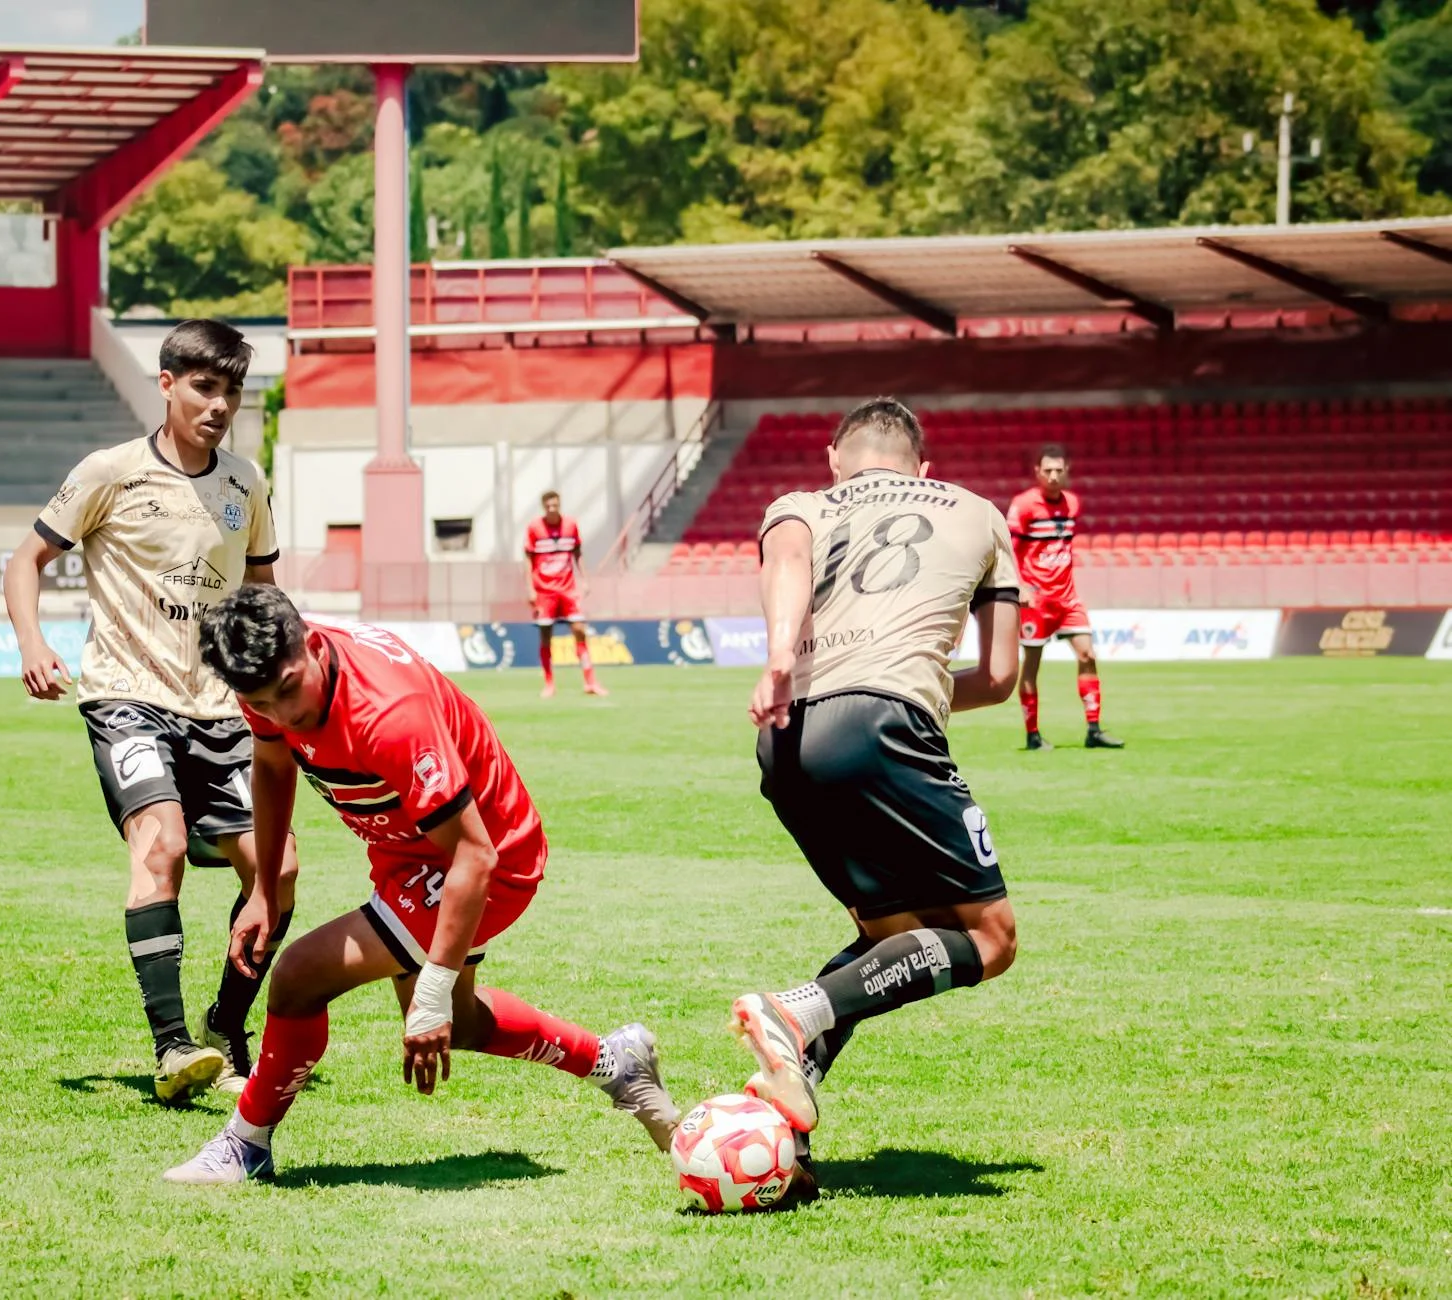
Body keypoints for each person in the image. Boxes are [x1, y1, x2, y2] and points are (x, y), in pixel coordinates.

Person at [162, 588, 679, 1184]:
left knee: (299, 978)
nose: (282, 715)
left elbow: (474, 856)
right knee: (462, 1022)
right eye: (260, 703)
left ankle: (244, 1145)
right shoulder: (266, 669)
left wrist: (431, 990)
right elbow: (275, 765)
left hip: (486, 855)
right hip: (411, 847)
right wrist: (264, 889)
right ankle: (617, 1063)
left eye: (288, 690)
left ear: (313, 645)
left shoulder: (389, 714)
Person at [732, 397, 1023, 1204]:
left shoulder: (801, 503)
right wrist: (911, 689)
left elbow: (788, 560)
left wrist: (781, 658)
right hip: (884, 723)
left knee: (892, 941)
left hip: (788, 737)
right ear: (924, 467)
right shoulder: (978, 511)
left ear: (836, 458)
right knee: (989, 939)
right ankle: (796, 1014)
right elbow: (1001, 677)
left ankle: (785, 1115)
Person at [4, 319, 298, 1106]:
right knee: (160, 842)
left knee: (280, 870)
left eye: (231, 390)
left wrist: (284, 684)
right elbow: (26, 561)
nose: (219, 404)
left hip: (224, 711)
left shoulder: (246, 484)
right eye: (204, 386)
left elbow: (264, 596)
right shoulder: (111, 472)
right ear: (166, 384)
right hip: (127, 698)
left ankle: (224, 1026)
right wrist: (32, 642)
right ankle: (171, 1048)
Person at [1006, 445, 1123, 750]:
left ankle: (1094, 730)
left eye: (1059, 470)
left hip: (1068, 598)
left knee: (1088, 655)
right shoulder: (1024, 505)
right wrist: (1021, 586)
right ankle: (1033, 735)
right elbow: (1009, 551)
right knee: (1032, 664)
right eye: (1048, 471)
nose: (1053, 476)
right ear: (1037, 472)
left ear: (1067, 470)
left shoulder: (1072, 503)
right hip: (1036, 599)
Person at [524, 490, 607, 698]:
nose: (552, 509)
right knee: (546, 635)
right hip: (544, 591)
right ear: (544, 507)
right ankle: (549, 684)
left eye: (555, 505)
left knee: (579, 630)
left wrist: (584, 579)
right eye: (548, 506)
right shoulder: (534, 528)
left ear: (560, 505)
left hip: (568, 589)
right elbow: (528, 559)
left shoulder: (571, 525)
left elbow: (577, 553)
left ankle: (590, 681)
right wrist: (530, 589)